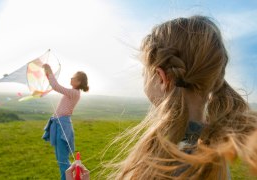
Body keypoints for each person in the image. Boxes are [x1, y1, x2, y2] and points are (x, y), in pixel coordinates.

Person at [66, 15, 257, 180]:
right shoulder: (205, 149)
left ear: (161, 78)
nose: (142, 76)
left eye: (145, 70)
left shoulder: (171, 163)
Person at [42, 64, 89, 180]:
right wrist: (48, 74)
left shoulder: (74, 93)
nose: (71, 78)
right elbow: (55, 86)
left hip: (63, 125)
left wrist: (49, 71)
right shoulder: (73, 92)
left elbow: (56, 86)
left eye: (73, 77)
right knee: (60, 160)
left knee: (63, 161)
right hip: (58, 124)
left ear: (78, 82)